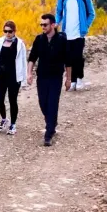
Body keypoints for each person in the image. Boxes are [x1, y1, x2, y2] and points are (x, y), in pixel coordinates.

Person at [27, 13, 70, 147]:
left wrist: (68, 79)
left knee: (52, 103)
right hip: (42, 77)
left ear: (53, 25)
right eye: (41, 25)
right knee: (43, 103)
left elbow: (68, 61)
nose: (43, 27)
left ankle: (49, 133)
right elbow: (32, 58)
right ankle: (52, 122)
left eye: (45, 24)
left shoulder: (62, 40)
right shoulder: (39, 40)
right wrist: (29, 73)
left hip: (56, 77)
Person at [55, 0, 96, 91]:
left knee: (78, 57)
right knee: (68, 59)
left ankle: (79, 78)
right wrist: (57, 23)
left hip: (79, 34)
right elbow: (58, 12)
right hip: (66, 34)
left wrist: (86, 25)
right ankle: (72, 81)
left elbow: (91, 14)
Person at [0, 20, 27, 135]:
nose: (7, 33)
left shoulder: (20, 44)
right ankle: (4, 118)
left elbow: (23, 62)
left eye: (10, 31)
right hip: (1, 75)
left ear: (14, 31)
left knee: (12, 100)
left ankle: (13, 124)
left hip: (14, 76)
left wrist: (24, 79)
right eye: (5, 31)